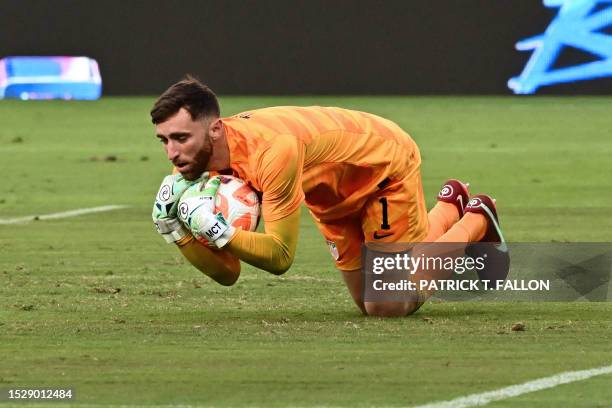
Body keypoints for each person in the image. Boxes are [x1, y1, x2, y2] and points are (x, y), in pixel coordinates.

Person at [151, 76, 505, 317]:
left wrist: (217, 231)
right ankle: (449, 205)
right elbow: (229, 274)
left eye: (181, 138)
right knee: (365, 301)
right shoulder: (188, 169)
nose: (172, 152)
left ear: (215, 128)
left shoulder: (273, 152)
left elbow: (280, 256)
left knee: (386, 305)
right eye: (164, 140)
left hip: (380, 168)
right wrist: (178, 232)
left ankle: (477, 218)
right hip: (330, 196)